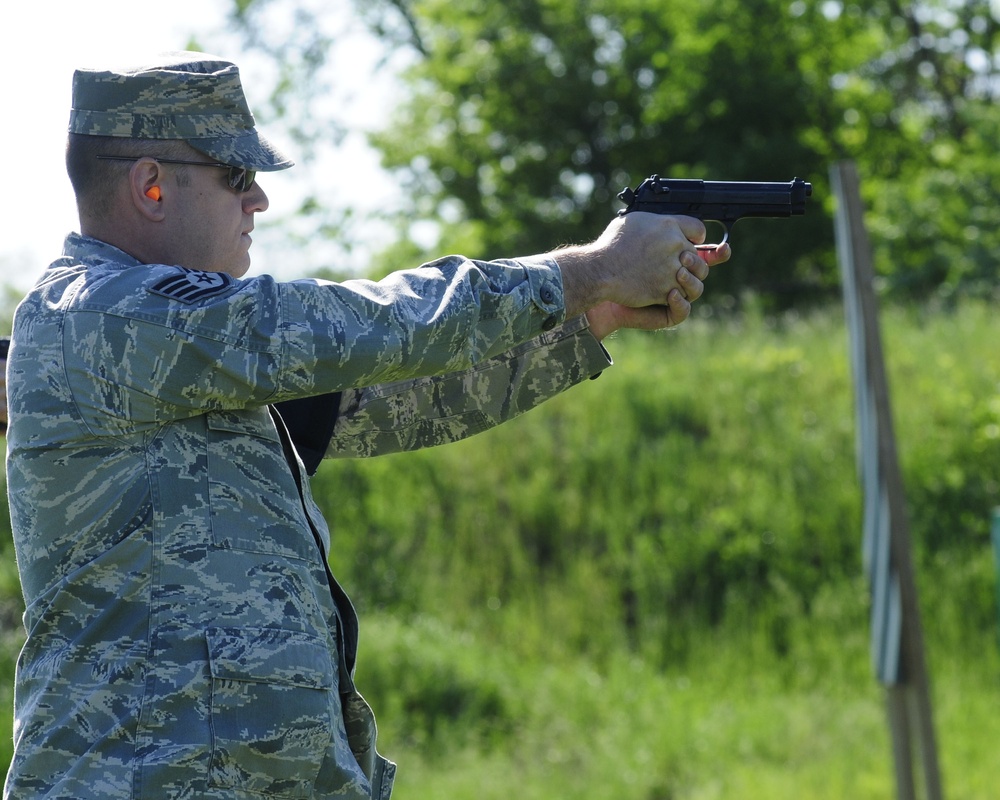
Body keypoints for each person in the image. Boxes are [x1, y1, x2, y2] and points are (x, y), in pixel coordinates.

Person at [3, 52, 730, 800]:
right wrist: (585, 271)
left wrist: (588, 322)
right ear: (151, 184)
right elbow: (378, 325)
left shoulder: (190, 351)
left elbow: (400, 402)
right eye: (235, 176)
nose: (258, 202)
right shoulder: (101, 316)